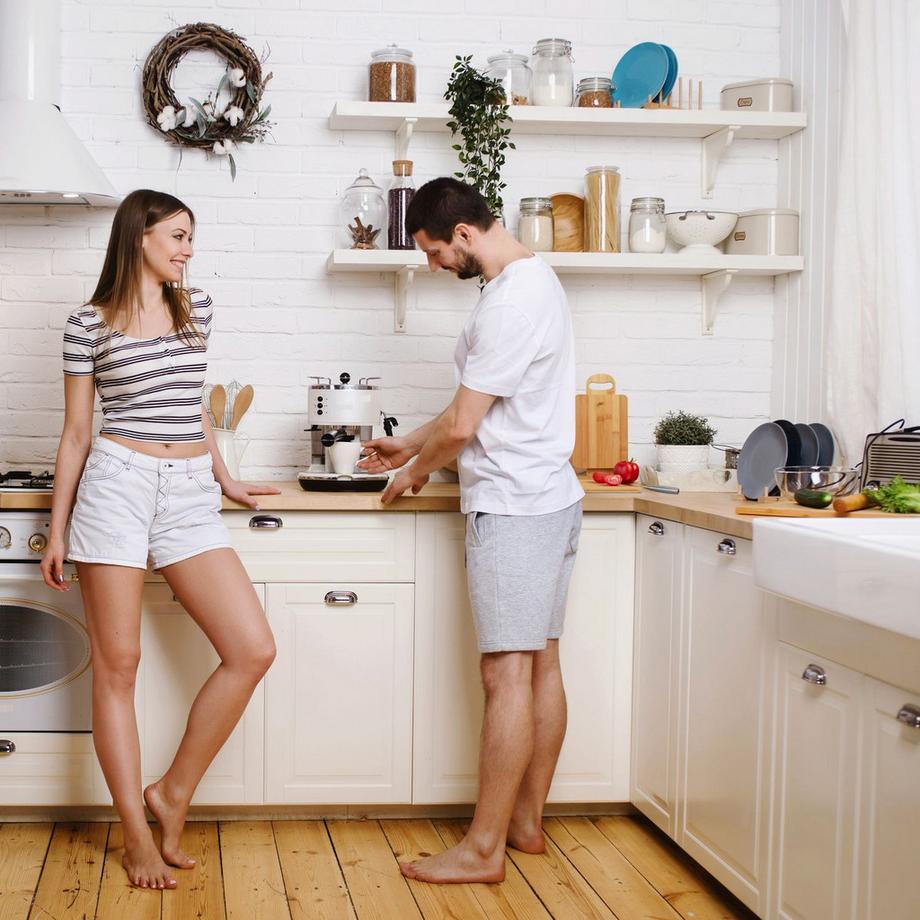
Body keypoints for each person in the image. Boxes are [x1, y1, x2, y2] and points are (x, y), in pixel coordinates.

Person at [39, 189, 279, 890]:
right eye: (177, 236)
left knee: (252, 649)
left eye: (189, 237)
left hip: (189, 494)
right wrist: (57, 530)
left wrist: (225, 479)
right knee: (119, 668)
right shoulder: (86, 324)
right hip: (115, 486)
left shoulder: (196, 307)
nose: (187, 249)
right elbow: (77, 433)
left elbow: (192, 407)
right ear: (139, 236)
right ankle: (136, 835)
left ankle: (172, 792)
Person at [359, 177, 584, 884]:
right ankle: (524, 824)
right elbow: (474, 404)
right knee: (540, 664)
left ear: (462, 234)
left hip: (514, 506)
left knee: (505, 673)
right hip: (549, 497)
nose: (433, 266)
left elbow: (463, 427)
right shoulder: (526, 283)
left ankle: (483, 851)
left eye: (433, 252)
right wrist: (410, 442)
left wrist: (413, 471)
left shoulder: (512, 300)